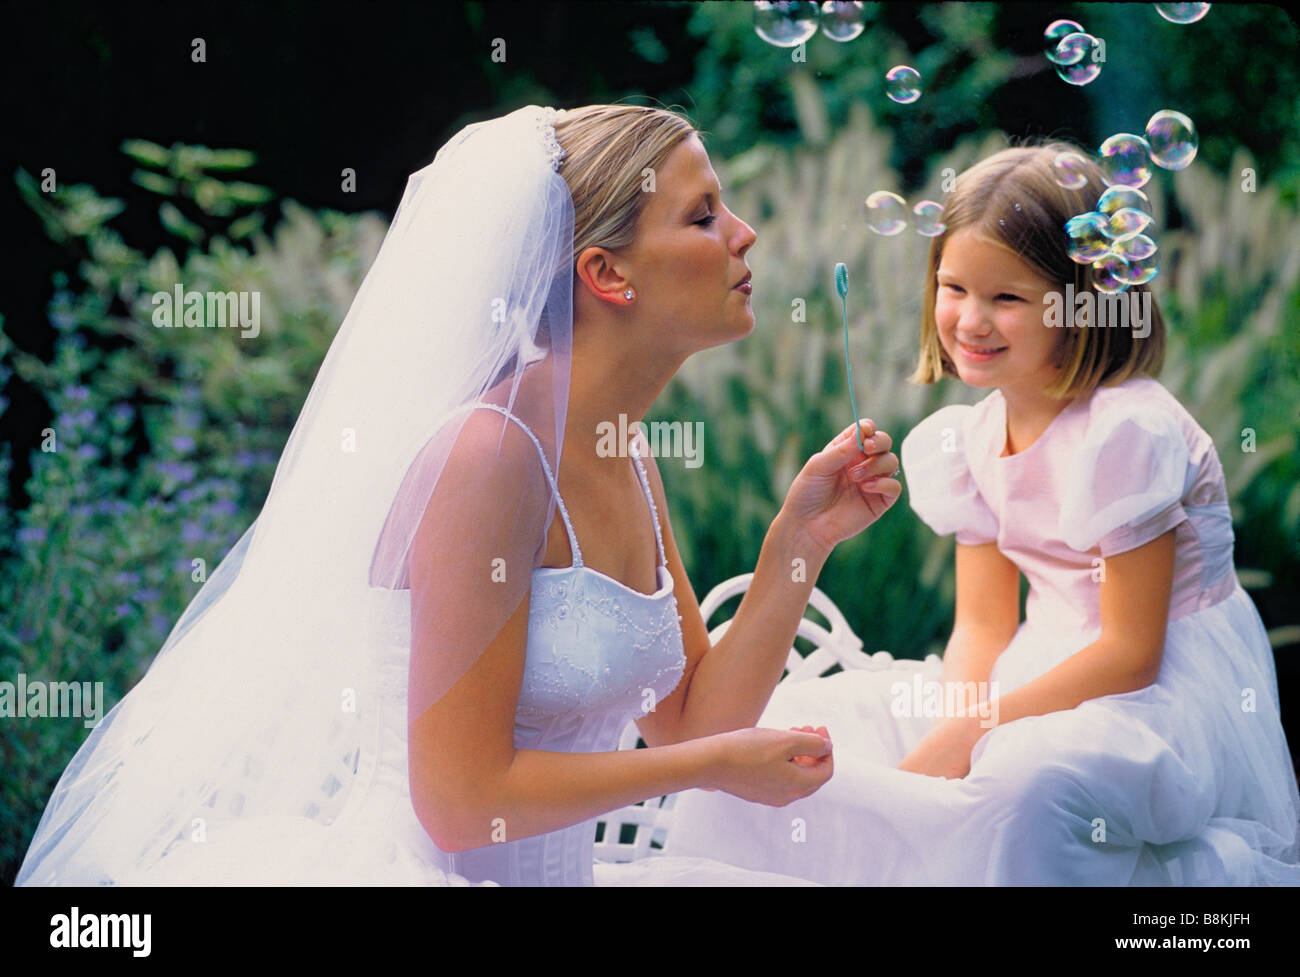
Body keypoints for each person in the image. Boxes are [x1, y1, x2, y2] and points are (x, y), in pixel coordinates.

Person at [16, 103, 902, 886]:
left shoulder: (624, 444)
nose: (745, 233)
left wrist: (800, 538)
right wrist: (712, 765)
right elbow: (462, 801)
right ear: (608, 274)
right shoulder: (491, 456)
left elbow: (686, 720)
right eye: (703, 214)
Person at [665, 141, 1300, 884]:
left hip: (1151, 689)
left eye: (1007, 298)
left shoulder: (1127, 432)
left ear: (1082, 303)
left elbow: (1132, 652)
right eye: (953, 287)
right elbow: (984, 624)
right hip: (1043, 658)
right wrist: (951, 729)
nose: (969, 319)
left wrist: (982, 727)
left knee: (1023, 788)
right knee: (796, 719)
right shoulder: (967, 441)